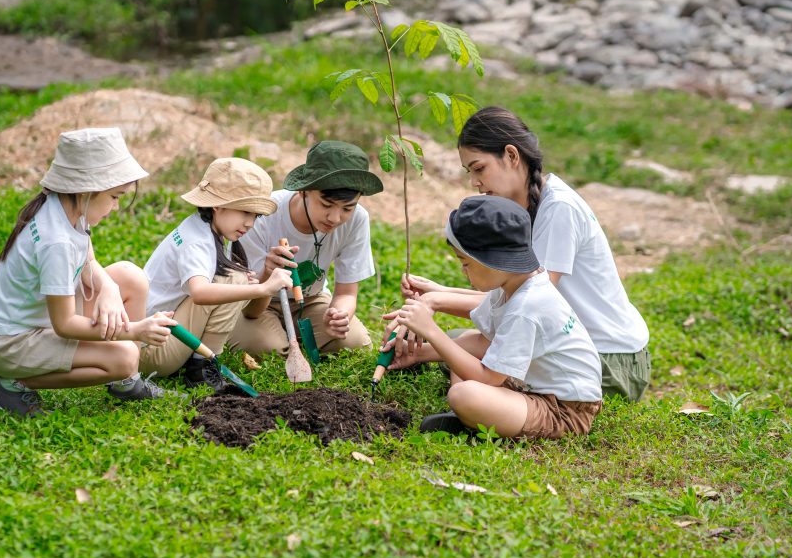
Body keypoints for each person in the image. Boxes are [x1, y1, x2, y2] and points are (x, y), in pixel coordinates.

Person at [394, 106, 651, 402]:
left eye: (479, 168)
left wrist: (435, 301)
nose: (474, 183)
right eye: (470, 172)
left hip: (608, 360)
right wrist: (438, 293)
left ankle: (480, 405)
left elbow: (528, 304)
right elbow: (511, 300)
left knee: (467, 351)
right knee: (458, 343)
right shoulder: (525, 208)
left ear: (512, 156)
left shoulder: (559, 210)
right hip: (571, 345)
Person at [0, 127, 177, 416]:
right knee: (124, 356)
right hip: (11, 343)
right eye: (114, 196)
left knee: (129, 277)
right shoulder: (55, 241)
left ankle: (126, 381)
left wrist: (108, 288)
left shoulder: (66, 207)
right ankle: (10, 385)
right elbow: (65, 325)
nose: (116, 207)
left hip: (38, 320)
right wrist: (135, 331)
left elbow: (88, 257)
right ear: (86, 190)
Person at [385, 196, 603, 438]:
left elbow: (488, 379)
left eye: (466, 264)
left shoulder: (526, 306)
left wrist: (431, 331)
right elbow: (483, 342)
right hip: (534, 388)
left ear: (494, 263)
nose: (463, 272)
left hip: (565, 410)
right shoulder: (516, 284)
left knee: (464, 394)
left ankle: (476, 417)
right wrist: (417, 354)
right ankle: (479, 417)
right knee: (471, 342)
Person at [141, 157, 293, 390]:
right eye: (245, 212)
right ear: (217, 204)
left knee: (236, 279)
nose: (250, 223)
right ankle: (202, 368)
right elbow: (200, 293)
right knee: (235, 279)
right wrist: (263, 288)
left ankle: (199, 361)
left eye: (256, 216)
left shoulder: (201, 227)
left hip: (152, 341)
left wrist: (244, 286)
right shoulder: (198, 241)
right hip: (153, 352)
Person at [229, 140, 382, 355]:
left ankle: (290, 337)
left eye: (348, 207)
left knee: (355, 342)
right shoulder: (262, 214)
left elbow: (347, 293)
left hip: (310, 300)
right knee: (267, 348)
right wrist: (268, 274)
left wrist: (339, 315)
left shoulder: (357, 220)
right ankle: (278, 337)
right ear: (304, 191)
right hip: (254, 302)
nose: (336, 218)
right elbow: (250, 309)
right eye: (326, 205)